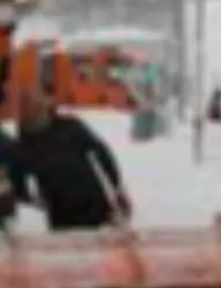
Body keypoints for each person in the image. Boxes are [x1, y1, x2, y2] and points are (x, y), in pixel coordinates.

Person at [16, 91, 133, 230]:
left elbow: (102, 153)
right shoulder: (25, 141)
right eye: (26, 108)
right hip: (60, 211)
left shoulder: (70, 126)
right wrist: (27, 195)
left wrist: (117, 186)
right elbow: (20, 172)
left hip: (91, 204)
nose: (31, 112)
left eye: (36, 107)